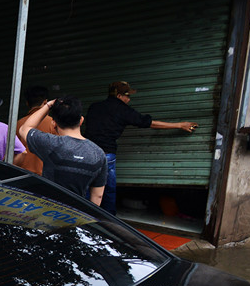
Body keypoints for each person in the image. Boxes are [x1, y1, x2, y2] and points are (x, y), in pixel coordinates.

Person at [84, 81, 198, 214]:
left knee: (86, 186)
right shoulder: (123, 110)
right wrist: (180, 125)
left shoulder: (94, 107)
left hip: (87, 151)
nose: (129, 99)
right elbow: (150, 123)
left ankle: (82, 215)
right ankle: (109, 219)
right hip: (106, 154)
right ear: (119, 96)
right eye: (127, 96)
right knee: (108, 189)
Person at [18, 95, 108, 206]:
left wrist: (48, 105)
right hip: (76, 212)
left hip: (48, 210)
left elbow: (24, 129)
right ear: (81, 120)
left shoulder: (50, 143)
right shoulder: (98, 153)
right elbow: (98, 196)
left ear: (53, 123)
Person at [15, 85, 55, 175]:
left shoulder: (18, 124)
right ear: (45, 102)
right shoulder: (53, 123)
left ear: (27, 103)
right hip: (46, 177)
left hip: (22, 175)